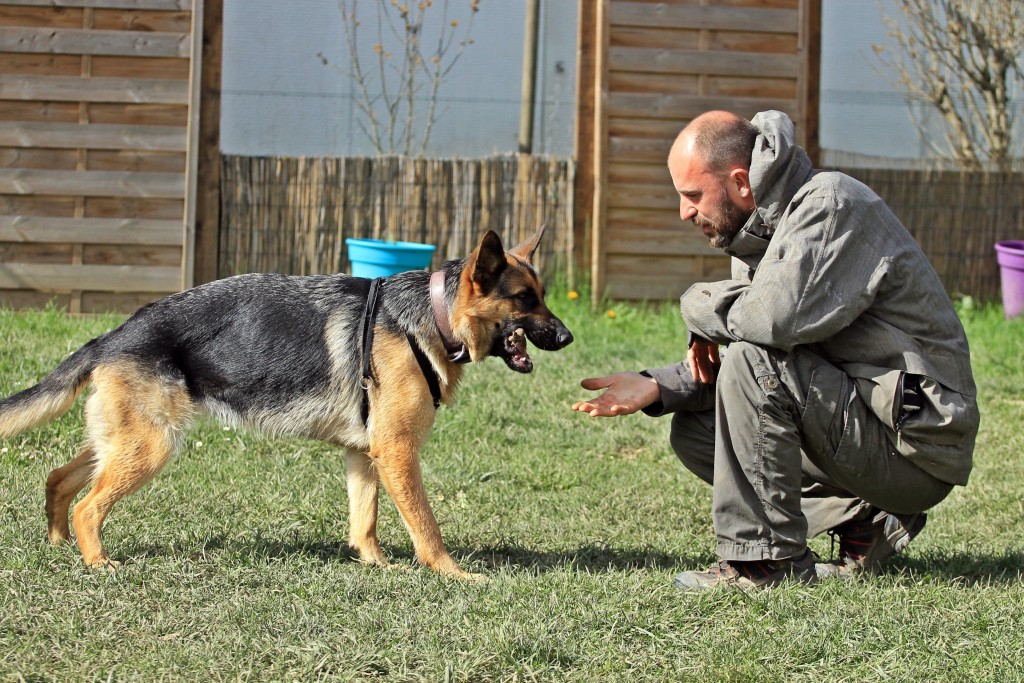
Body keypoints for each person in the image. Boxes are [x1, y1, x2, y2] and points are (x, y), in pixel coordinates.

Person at [572, 110, 979, 590]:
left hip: (913, 447)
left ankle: (765, 563)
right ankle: (862, 522)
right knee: (697, 431)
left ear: (741, 181)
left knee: (752, 360)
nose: (684, 212)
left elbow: (768, 326)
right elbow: (768, 353)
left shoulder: (828, 206)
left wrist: (695, 303)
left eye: (692, 195)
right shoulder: (763, 233)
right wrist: (661, 385)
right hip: (868, 423)